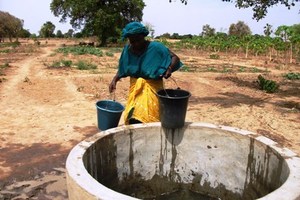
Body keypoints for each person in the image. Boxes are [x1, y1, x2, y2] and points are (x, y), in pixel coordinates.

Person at [109, 21, 183, 125]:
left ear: (144, 36)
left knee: (149, 119)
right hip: (135, 90)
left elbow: (175, 57)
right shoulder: (127, 50)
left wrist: (169, 68)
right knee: (133, 117)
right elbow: (123, 67)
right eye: (132, 41)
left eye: (138, 40)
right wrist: (114, 80)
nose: (136, 44)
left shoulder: (156, 48)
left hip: (152, 89)